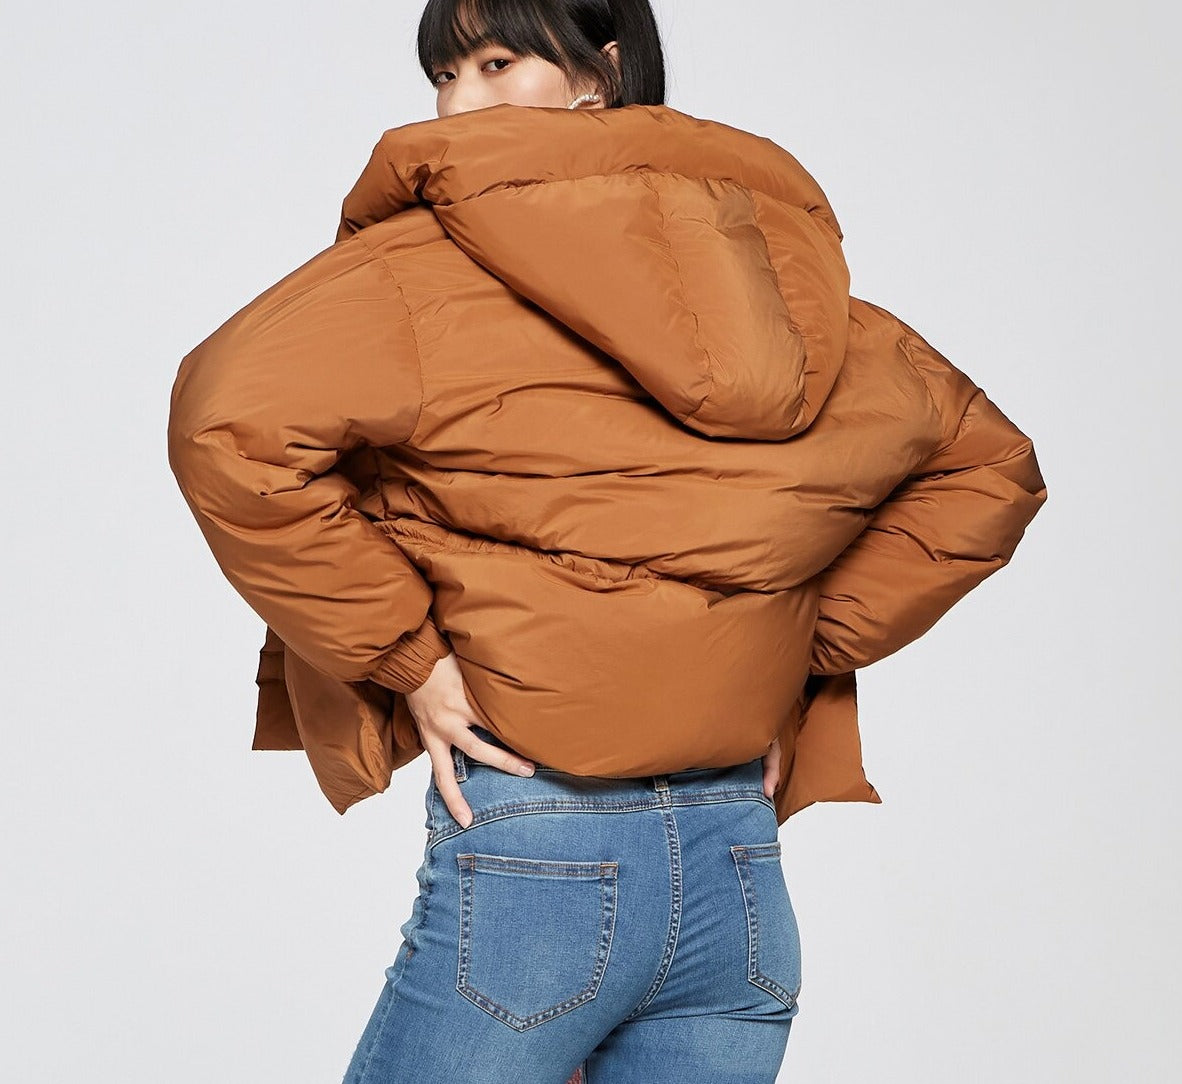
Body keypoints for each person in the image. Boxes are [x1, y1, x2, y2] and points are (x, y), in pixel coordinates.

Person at [166, 1, 1049, 1081]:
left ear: (601, 73)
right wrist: (781, 649)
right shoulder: (782, 282)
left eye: (498, 63)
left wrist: (408, 653)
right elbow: (989, 466)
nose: (460, 101)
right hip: (736, 863)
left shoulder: (414, 275)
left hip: (540, 847)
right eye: (444, 73)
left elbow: (223, 426)